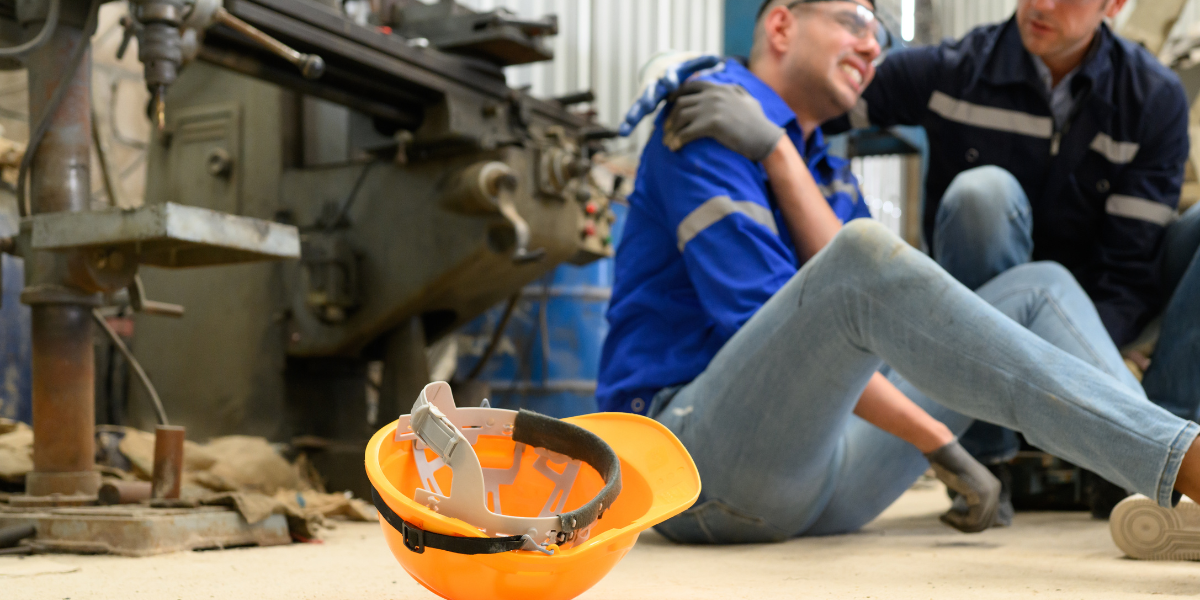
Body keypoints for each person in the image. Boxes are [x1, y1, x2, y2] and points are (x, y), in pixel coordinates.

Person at [596, 0, 1200, 548]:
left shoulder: (822, 167)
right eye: (853, 22)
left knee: (1038, 287)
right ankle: (1189, 463)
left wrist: (781, 153)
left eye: (880, 34)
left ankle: (1156, 488)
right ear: (781, 24)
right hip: (695, 467)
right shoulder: (710, 117)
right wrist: (936, 438)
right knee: (866, 253)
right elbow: (776, 312)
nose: (871, 47)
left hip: (817, 469)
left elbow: (852, 319)